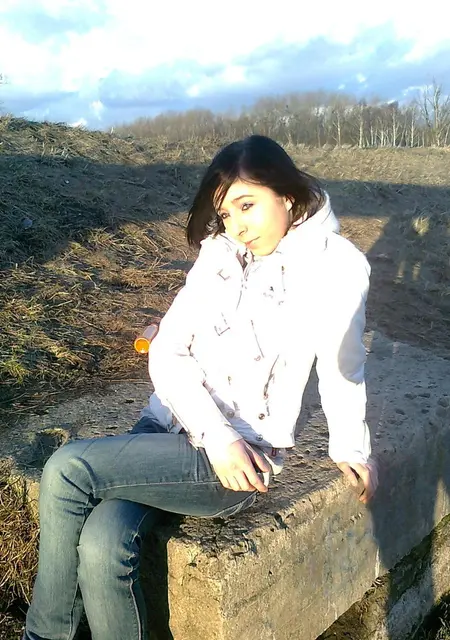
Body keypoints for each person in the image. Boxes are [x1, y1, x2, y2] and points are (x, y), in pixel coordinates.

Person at [23, 135, 378, 640]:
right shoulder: (219, 254)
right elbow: (167, 349)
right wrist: (213, 431)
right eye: (226, 214)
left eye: (247, 205)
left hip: (237, 458)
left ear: (287, 195)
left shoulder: (335, 266)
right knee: (104, 542)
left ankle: (43, 635)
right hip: (168, 424)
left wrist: (352, 448)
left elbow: (345, 368)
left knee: (66, 469)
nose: (237, 226)